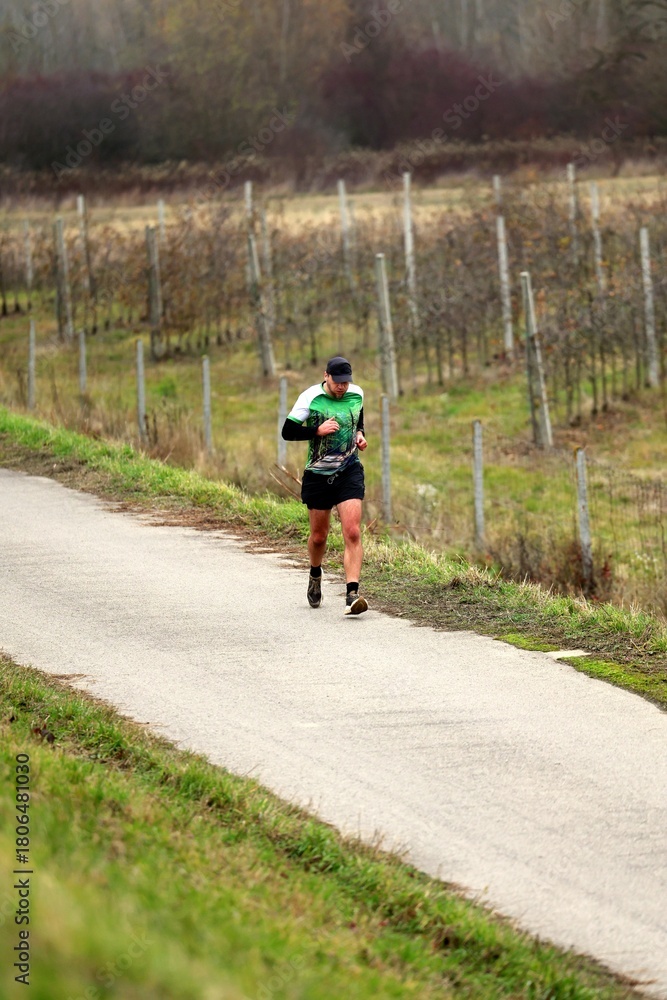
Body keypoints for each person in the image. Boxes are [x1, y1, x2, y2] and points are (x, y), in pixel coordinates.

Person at [281, 356, 369, 615]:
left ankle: (352, 594)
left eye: (346, 382)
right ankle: (315, 573)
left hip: (349, 471)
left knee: (352, 531)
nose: (342, 387)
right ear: (326, 376)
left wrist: (360, 435)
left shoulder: (357, 394)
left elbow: (358, 420)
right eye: (337, 382)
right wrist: (316, 431)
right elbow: (287, 432)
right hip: (318, 475)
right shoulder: (310, 397)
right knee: (319, 537)